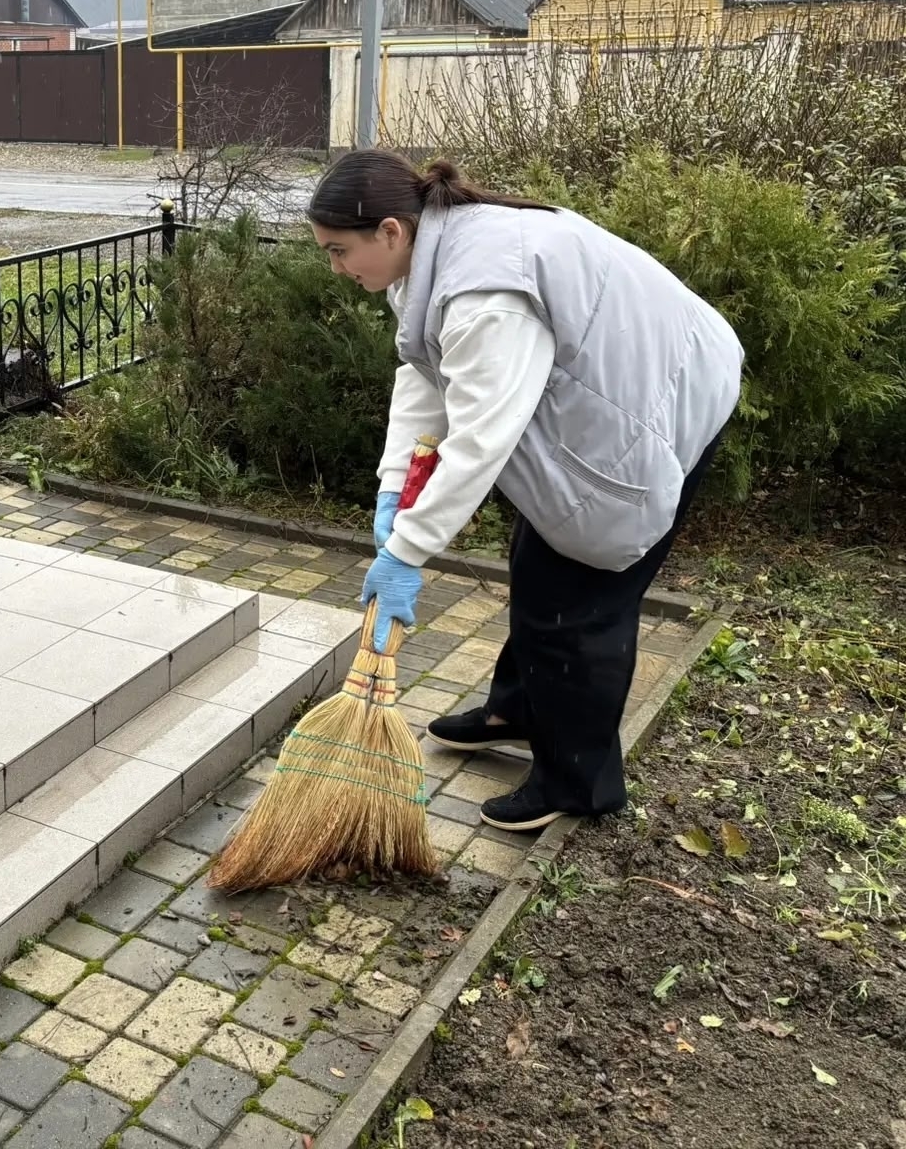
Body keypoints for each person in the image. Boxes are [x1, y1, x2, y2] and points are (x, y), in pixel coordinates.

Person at [309, 150, 741, 833]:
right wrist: (395, 489)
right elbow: (425, 371)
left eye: (338, 250)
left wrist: (408, 551)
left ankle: (577, 783)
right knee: (537, 567)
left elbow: (481, 439)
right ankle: (515, 711)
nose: (335, 267)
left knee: (578, 605)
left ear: (390, 230)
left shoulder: (484, 293)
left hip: (663, 406)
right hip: (613, 399)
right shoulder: (430, 256)